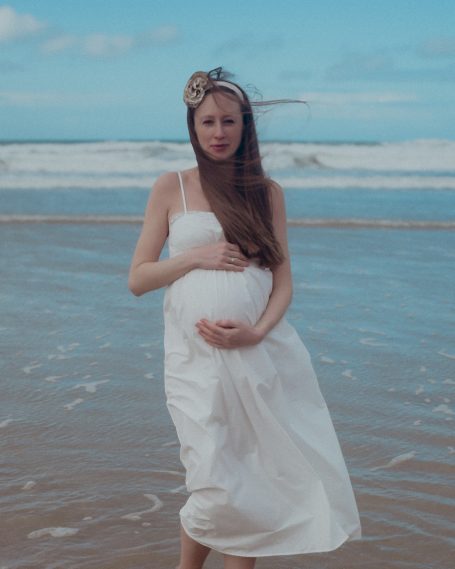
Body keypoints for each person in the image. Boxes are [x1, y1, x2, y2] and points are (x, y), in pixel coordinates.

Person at [128, 67, 362, 569]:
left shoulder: (267, 191)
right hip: (195, 360)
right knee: (212, 475)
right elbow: (139, 278)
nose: (218, 132)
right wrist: (196, 257)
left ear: (244, 125)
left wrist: (255, 331)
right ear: (192, 126)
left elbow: (283, 282)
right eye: (208, 121)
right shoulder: (172, 187)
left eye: (228, 121)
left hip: (261, 353)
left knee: (254, 478)